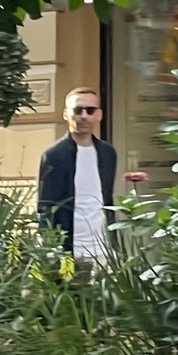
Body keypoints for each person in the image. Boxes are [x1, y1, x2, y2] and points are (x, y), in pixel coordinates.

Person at [36, 89, 117, 260]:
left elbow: (107, 199)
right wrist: (51, 246)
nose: (84, 116)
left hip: (104, 248)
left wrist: (114, 242)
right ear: (66, 114)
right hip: (68, 250)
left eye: (90, 110)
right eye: (78, 110)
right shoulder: (54, 155)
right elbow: (45, 206)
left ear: (99, 115)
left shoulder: (107, 153)